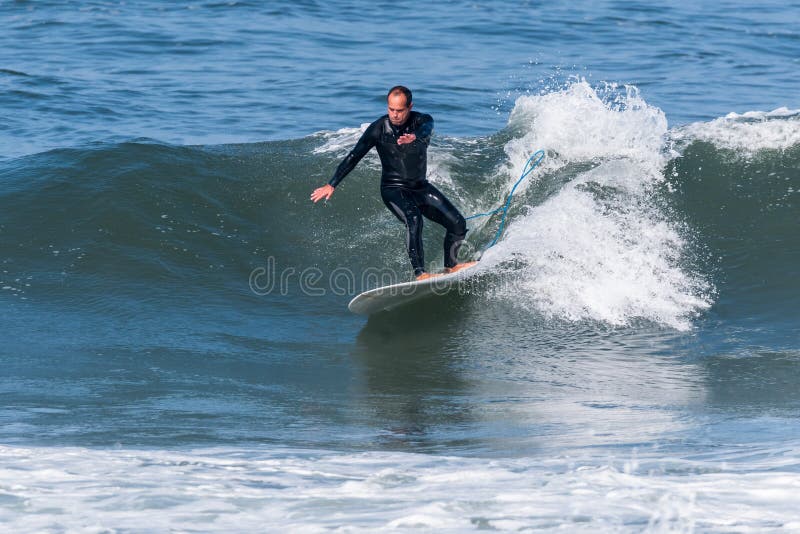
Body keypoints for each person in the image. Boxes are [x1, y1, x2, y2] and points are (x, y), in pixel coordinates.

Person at [310, 86, 475, 280]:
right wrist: (332, 184)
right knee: (414, 219)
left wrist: (414, 137)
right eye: (391, 109)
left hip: (420, 187)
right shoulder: (378, 129)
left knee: (457, 224)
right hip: (393, 189)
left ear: (410, 107)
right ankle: (420, 274)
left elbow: (426, 127)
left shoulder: (421, 121)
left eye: (399, 110)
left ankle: (451, 266)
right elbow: (354, 155)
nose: (394, 115)